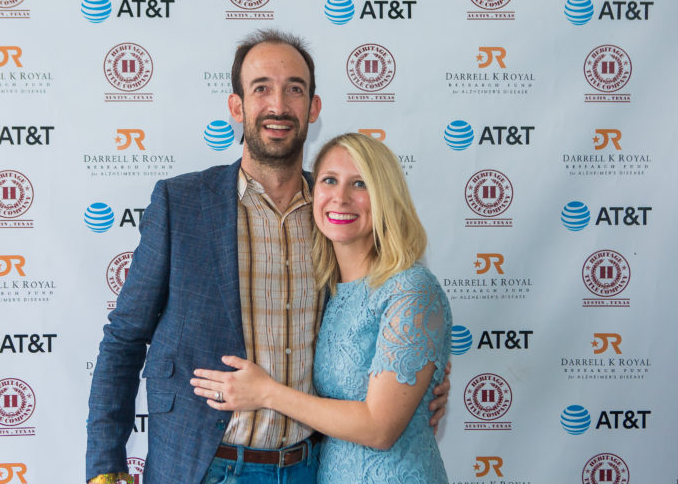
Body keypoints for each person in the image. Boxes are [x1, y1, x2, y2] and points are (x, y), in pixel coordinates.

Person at [86, 30, 450, 484]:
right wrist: (105, 467)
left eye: (294, 89)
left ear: (313, 107)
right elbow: (124, 338)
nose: (278, 105)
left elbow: (382, 312)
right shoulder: (181, 205)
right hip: (203, 468)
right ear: (236, 106)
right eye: (261, 88)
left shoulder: (335, 212)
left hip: (311, 468)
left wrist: (422, 380)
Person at [191, 133, 452, 483]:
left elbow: (380, 428)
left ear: (386, 197)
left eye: (360, 183)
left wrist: (267, 392)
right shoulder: (330, 290)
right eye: (329, 180)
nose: (340, 198)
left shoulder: (411, 288)